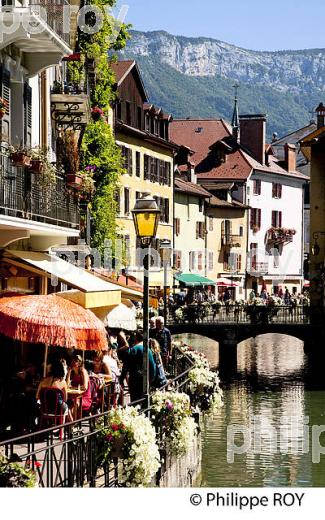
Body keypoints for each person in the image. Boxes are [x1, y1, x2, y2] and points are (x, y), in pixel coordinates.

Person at [121, 330, 156, 404]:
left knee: (134, 402)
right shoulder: (147, 350)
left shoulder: (132, 350)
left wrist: (121, 379)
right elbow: (152, 367)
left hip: (133, 379)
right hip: (144, 379)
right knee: (144, 401)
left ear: (136, 338)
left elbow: (125, 366)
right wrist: (151, 379)